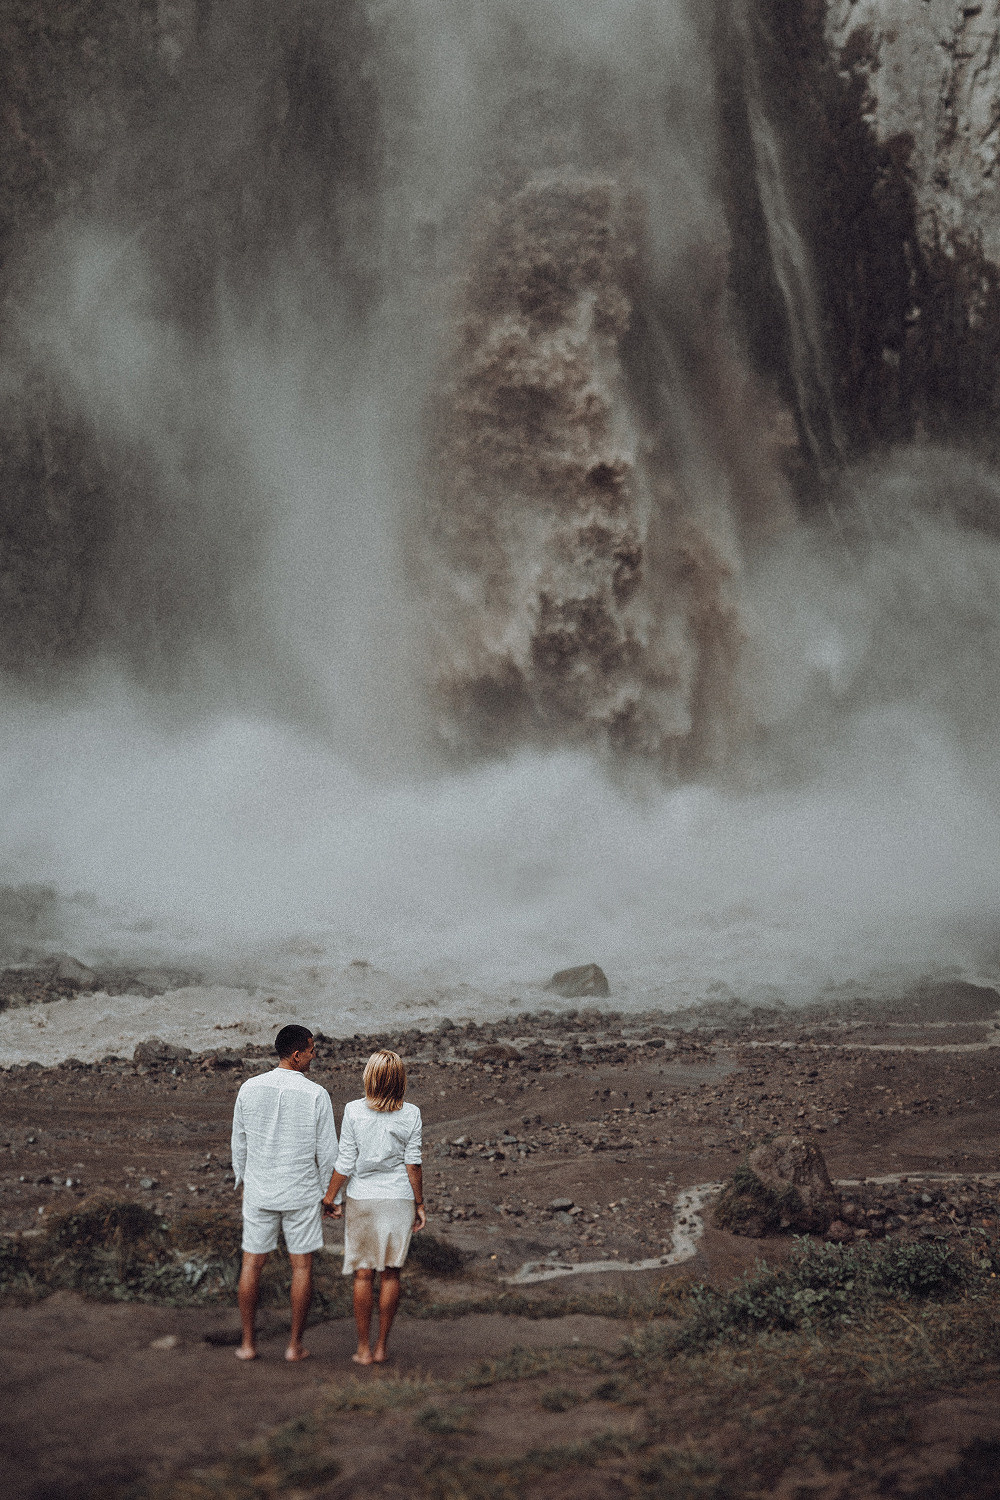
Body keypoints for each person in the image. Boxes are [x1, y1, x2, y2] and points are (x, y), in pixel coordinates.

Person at [231, 1024, 339, 1363]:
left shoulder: (249, 1088)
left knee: (252, 1264)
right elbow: (328, 1153)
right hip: (301, 1191)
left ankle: (248, 1344)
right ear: (296, 1054)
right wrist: (331, 1197)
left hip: (260, 1189)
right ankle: (294, 1346)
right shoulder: (316, 1094)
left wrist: (242, 1180)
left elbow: (239, 1142)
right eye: (311, 1050)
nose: (314, 1055)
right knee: (302, 1267)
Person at [322, 1048, 425, 1365]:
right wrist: (420, 1203)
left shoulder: (353, 1110)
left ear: (370, 1077)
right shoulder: (411, 1114)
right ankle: (381, 1347)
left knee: (363, 1275)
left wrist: (330, 1197)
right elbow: (413, 1165)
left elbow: (345, 1161)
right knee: (392, 1274)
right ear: (399, 1080)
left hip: (363, 1198)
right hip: (398, 1198)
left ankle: (363, 1349)